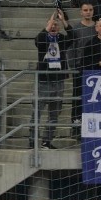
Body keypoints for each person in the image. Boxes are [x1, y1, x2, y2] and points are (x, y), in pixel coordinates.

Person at [34, 10, 72, 150]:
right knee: (37, 111)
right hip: (44, 81)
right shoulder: (43, 38)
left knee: (54, 114)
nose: (54, 27)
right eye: (52, 25)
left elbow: (72, 36)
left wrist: (63, 21)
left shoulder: (62, 39)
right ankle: (32, 141)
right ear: (48, 26)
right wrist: (47, 27)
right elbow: (37, 41)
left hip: (59, 81)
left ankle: (46, 141)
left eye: (57, 25)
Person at [68, 1, 96, 126]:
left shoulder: (99, 27)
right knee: (78, 96)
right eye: (85, 10)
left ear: (93, 11)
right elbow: (71, 48)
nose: (88, 12)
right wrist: (73, 66)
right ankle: (76, 122)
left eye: (90, 9)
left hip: (96, 67)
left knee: (94, 96)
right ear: (81, 12)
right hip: (80, 68)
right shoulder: (76, 28)